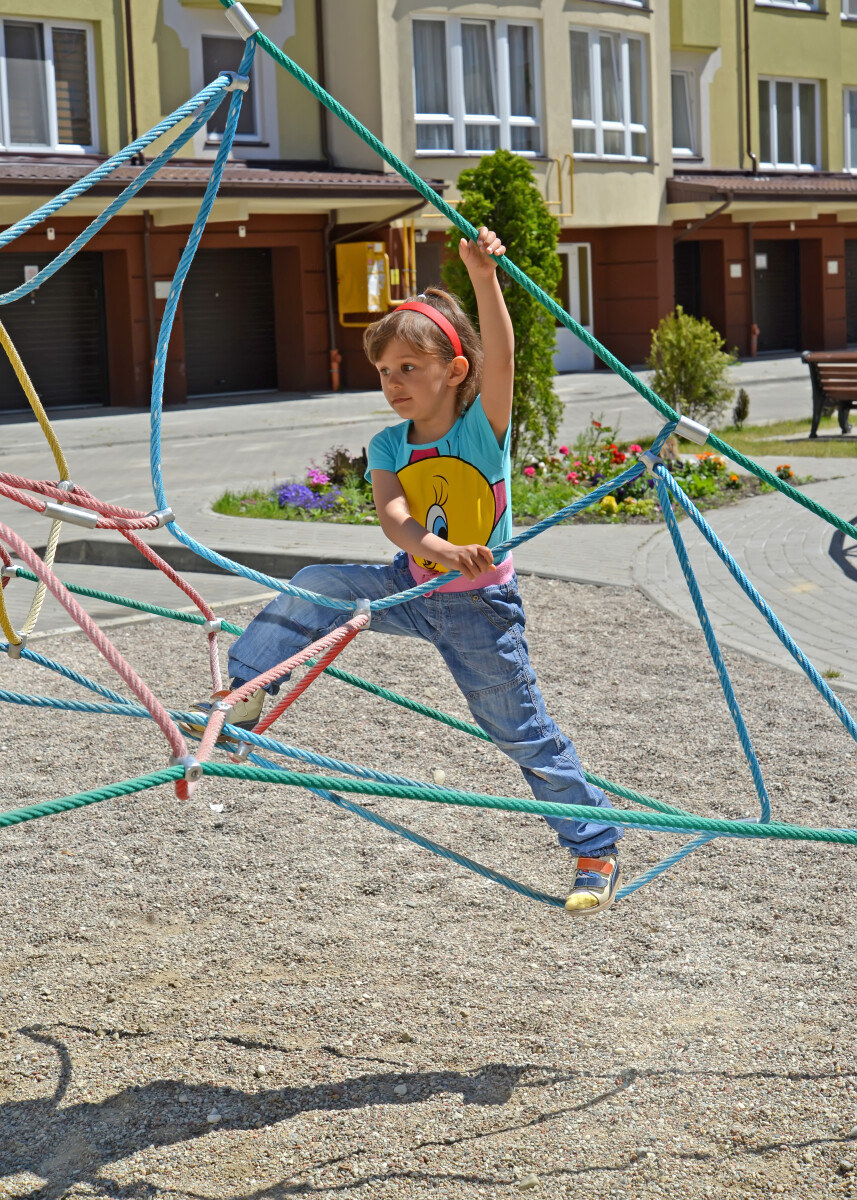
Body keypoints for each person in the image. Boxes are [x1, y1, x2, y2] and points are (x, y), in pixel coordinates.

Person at [186, 227, 623, 915]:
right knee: (316, 584)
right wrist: (435, 548)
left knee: (517, 730)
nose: (392, 384)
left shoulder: (482, 427)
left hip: (479, 609)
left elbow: (502, 357)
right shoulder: (389, 441)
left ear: (452, 371)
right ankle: (243, 694)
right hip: (409, 586)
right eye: (383, 371)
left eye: (407, 369)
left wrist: (483, 276)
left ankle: (593, 843)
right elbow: (392, 515)